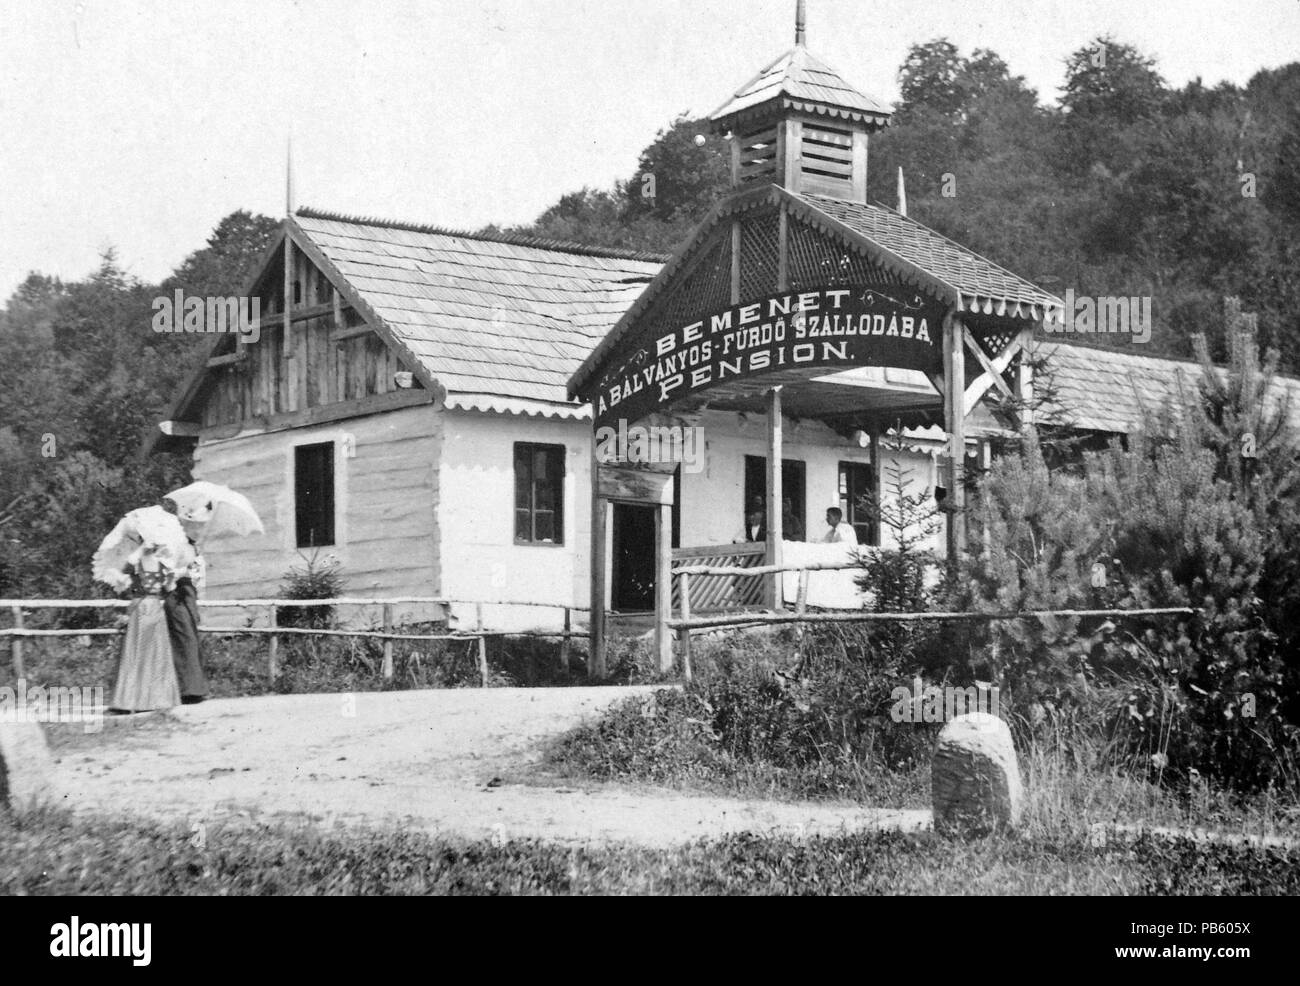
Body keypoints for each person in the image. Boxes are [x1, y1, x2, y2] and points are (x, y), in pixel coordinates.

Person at [109, 544, 183, 713]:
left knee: (156, 654)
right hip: (140, 608)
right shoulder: (135, 562)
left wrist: (171, 579)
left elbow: (169, 589)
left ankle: (154, 699)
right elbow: (121, 581)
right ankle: (130, 700)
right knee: (137, 653)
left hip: (156, 608)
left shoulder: (163, 564)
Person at [164, 499, 210, 704]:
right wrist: (186, 570)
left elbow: (197, 575)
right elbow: (167, 571)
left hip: (189, 595)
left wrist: (196, 571)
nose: (198, 530)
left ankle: (195, 689)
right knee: (184, 639)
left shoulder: (194, 547)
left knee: (191, 638)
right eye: (195, 526)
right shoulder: (177, 545)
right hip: (177, 595)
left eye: (200, 526)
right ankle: (186, 689)